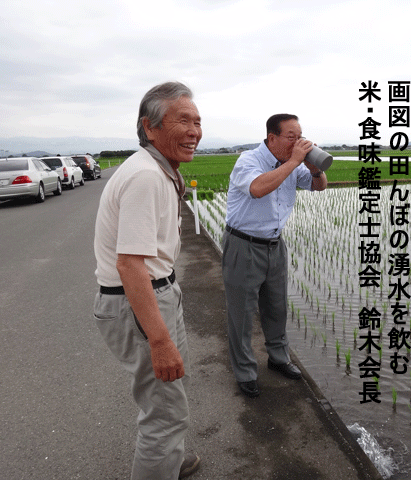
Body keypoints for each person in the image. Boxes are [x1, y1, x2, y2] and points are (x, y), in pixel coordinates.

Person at [93, 81, 202, 479]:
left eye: (198, 122)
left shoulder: (156, 167)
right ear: (149, 127)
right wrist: (159, 340)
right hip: (139, 300)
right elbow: (130, 265)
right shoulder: (146, 177)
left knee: (168, 392)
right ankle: (160, 459)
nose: (194, 131)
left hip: (154, 294)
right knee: (165, 411)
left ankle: (167, 460)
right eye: (183, 121)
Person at [222, 113, 328, 397]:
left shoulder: (293, 164)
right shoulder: (249, 161)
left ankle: (279, 360)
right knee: (242, 314)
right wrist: (294, 162)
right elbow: (257, 188)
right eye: (291, 137)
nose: (298, 142)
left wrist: (313, 167)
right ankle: (245, 372)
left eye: (300, 136)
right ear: (272, 138)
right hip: (243, 245)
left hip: (274, 244)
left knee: (277, 308)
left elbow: (319, 186)